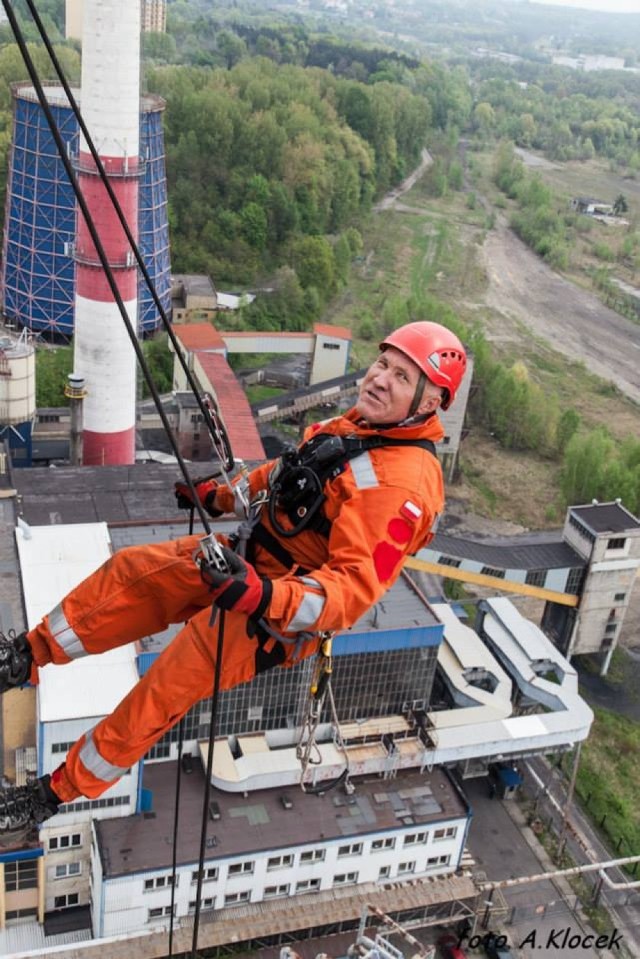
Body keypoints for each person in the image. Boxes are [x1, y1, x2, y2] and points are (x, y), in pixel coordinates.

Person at [0, 321, 466, 836]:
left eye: (402, 376)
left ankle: (47, 796)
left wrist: (262, 595)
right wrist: (219, 497)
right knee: (136, 575)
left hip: (272, 616)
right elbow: (287, 473)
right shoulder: (359, 427)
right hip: (246, 560)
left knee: (162, 689)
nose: (380, 379)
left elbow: (348, 595)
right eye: (382, 363)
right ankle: (25, 656)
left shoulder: (403, 488)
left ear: (429, 403)